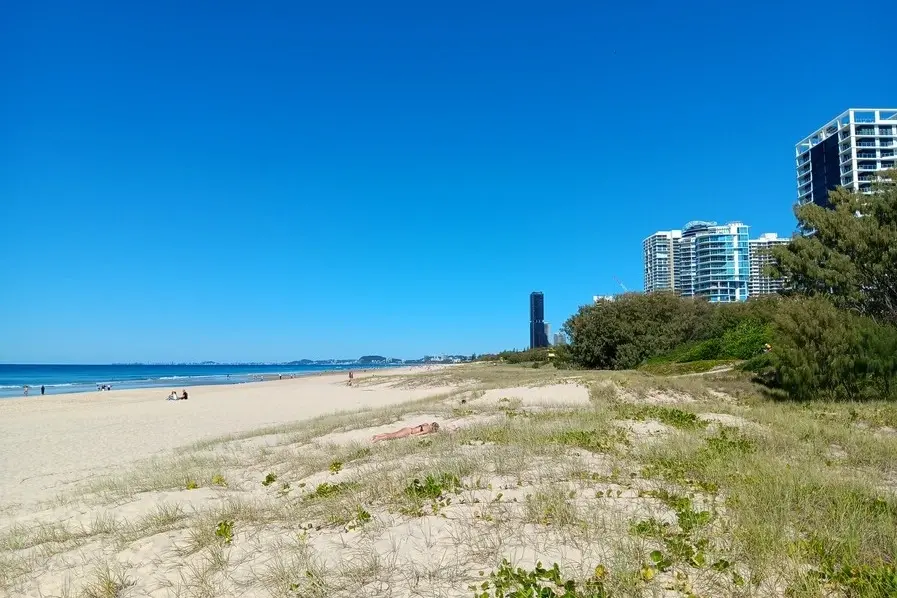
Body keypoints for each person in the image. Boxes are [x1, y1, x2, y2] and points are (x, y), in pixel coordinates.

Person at [372, 422, 440, 442]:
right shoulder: (428, 429)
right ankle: (378, 439)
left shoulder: (426, 424)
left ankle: (377, 435)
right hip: (409, 431)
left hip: (408, 429)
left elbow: (418, 427)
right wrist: (413, 436)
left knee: (393, 434)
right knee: (393, 436)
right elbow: (421, 433)